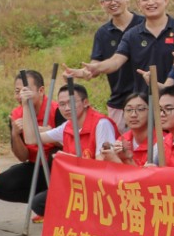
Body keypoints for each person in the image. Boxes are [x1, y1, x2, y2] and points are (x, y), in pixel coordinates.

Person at [68, 0, 174, 96]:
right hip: (142, 102)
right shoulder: (131, 35)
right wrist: (95, 68)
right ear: (139, 4)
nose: (150, 3)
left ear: (166, 0)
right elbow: (115, 61)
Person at [25, 83, 117, 216]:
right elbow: (31, 139)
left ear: (86, 102)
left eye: (71, 103)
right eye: (62, 104)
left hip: (101, 187)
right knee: (39, 203)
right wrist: (26, 106)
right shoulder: (67, 126)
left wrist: (68, 160)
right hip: (79, 184)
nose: (67, 108)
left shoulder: (101, 124)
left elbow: (102, 166)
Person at [0, 70, 61, 207]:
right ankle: (42, 202)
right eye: (17, 91)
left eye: (25, 91)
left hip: (56, 164)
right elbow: (23, 157)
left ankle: (52, 203)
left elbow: (70, 144)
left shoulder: (57, 110)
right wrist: (15, 134)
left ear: (41, 91)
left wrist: (51, 135)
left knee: (54, 156)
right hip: (35, 164)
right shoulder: (16, 115)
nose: (21, 95)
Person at [87, 0, 142, 114]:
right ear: (102, 4)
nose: (113, 2)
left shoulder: (144, 24)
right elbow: (96, 63)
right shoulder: (102, 33)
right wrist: (85, 71)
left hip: (147, 99)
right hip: (119, 103)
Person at [101, 92, 154, 165]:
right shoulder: (123, 140)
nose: (133, 115)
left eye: (140, 109)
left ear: (152, 112)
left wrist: (117, 160)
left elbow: (146, 176)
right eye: (129, 110)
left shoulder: (161, 143)